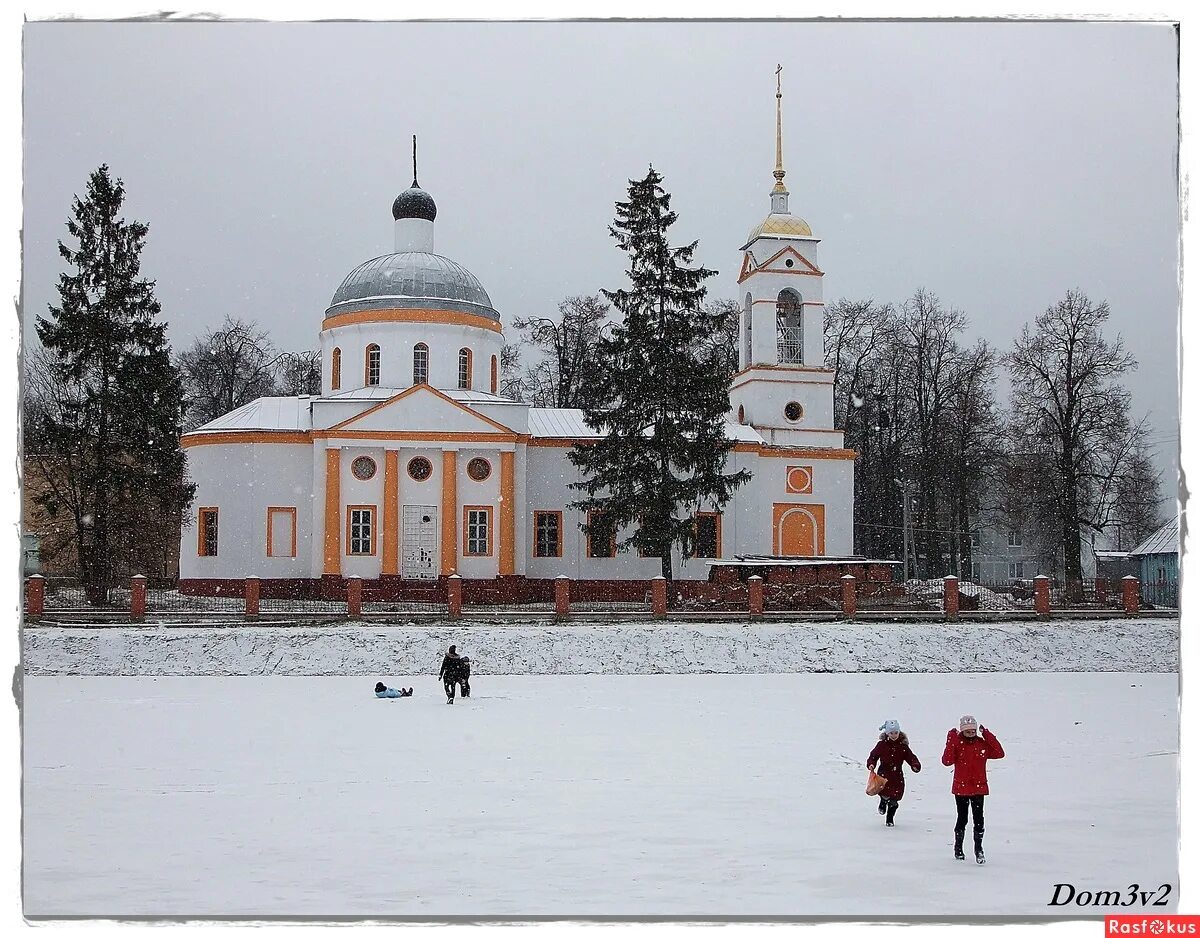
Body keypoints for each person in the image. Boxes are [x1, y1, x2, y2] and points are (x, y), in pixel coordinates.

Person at [941, 714, 1005, 863]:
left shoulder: (981, 744)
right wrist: (951, 739)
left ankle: (979, 849)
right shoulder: (957, 744)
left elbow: (999, 753)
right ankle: (958, 848)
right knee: (962, 819)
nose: (971, 733)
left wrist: (987, 734)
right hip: (961, 788)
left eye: (973, 731)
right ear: (962, 731)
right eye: (968, 731)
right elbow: (946, 761)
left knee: (979, 819)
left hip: (978, 788)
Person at [866, 719, 921, 827]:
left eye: (896, 732)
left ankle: (890, 819)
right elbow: (874, 755)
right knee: (884, 793)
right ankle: (882, 802)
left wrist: (915, 765)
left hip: (897, 776)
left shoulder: (903, 746)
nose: (894, 735)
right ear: (887, 733)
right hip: (883, 774)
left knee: (895, 798)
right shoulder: (882, 745)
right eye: (891, 733)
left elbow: (910, 757)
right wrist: (871, 764)